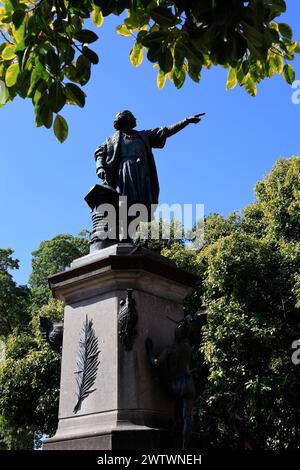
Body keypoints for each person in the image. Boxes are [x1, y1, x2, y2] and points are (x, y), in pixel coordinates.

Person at [94, 110, 203, 207]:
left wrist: (186, 121)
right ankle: (122, 225)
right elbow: (100, 153)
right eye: (132, 116)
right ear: (125, 119)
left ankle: (131, 226)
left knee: (140, 205)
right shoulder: (112, 140)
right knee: (125, 202)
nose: (135, 118)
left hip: (142, 173)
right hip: (124, 172)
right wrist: (100, 168)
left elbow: (165, 131)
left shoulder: (144, 135)